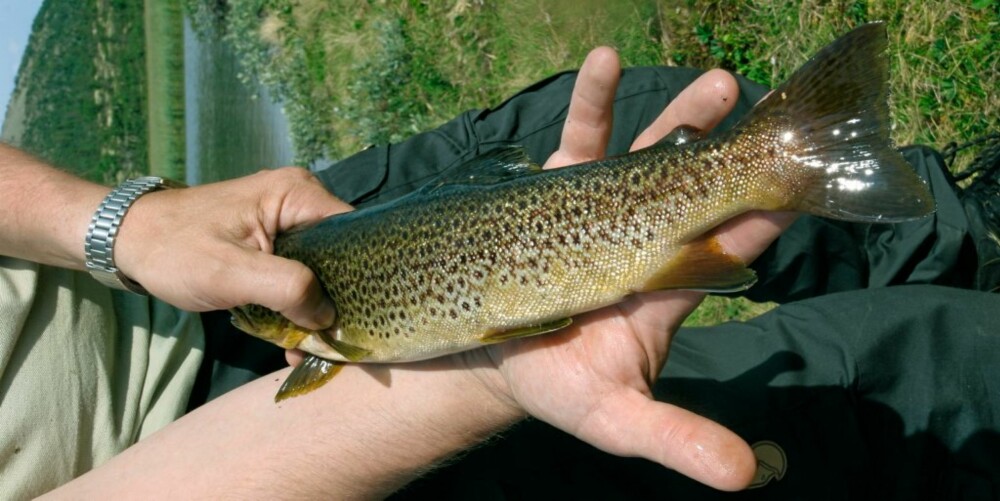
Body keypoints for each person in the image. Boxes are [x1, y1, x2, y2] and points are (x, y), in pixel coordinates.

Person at [2, 48, 773, 498]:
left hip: (238, 243)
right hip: (251, 461)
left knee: (651, 109)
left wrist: (109, 224)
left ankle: (825, 174)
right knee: (811, 410)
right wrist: (480, 383)